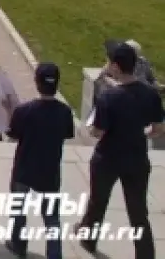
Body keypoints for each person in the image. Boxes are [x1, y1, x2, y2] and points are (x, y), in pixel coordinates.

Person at [78, 41, 164, 258]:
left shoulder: (109, 97)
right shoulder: (150, 94)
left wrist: (91, 131)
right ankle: (145, 254)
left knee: (98, 201)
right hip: (137, 159)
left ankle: (88, 239)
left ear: (116, 67)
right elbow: (158, 129)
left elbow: (98, 132)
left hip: (107, 158)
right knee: (137, 210)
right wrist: (140, 134)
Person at [5, 62, 74, 259]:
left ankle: (18, 245)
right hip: (50, 171)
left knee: (19, 208)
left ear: (36, 83)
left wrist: (10, 111)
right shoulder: (65, 112)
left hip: (24, 169)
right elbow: (67, 134)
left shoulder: (24, 110)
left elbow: (13, 135)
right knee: (52, 217)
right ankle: (55, 254)